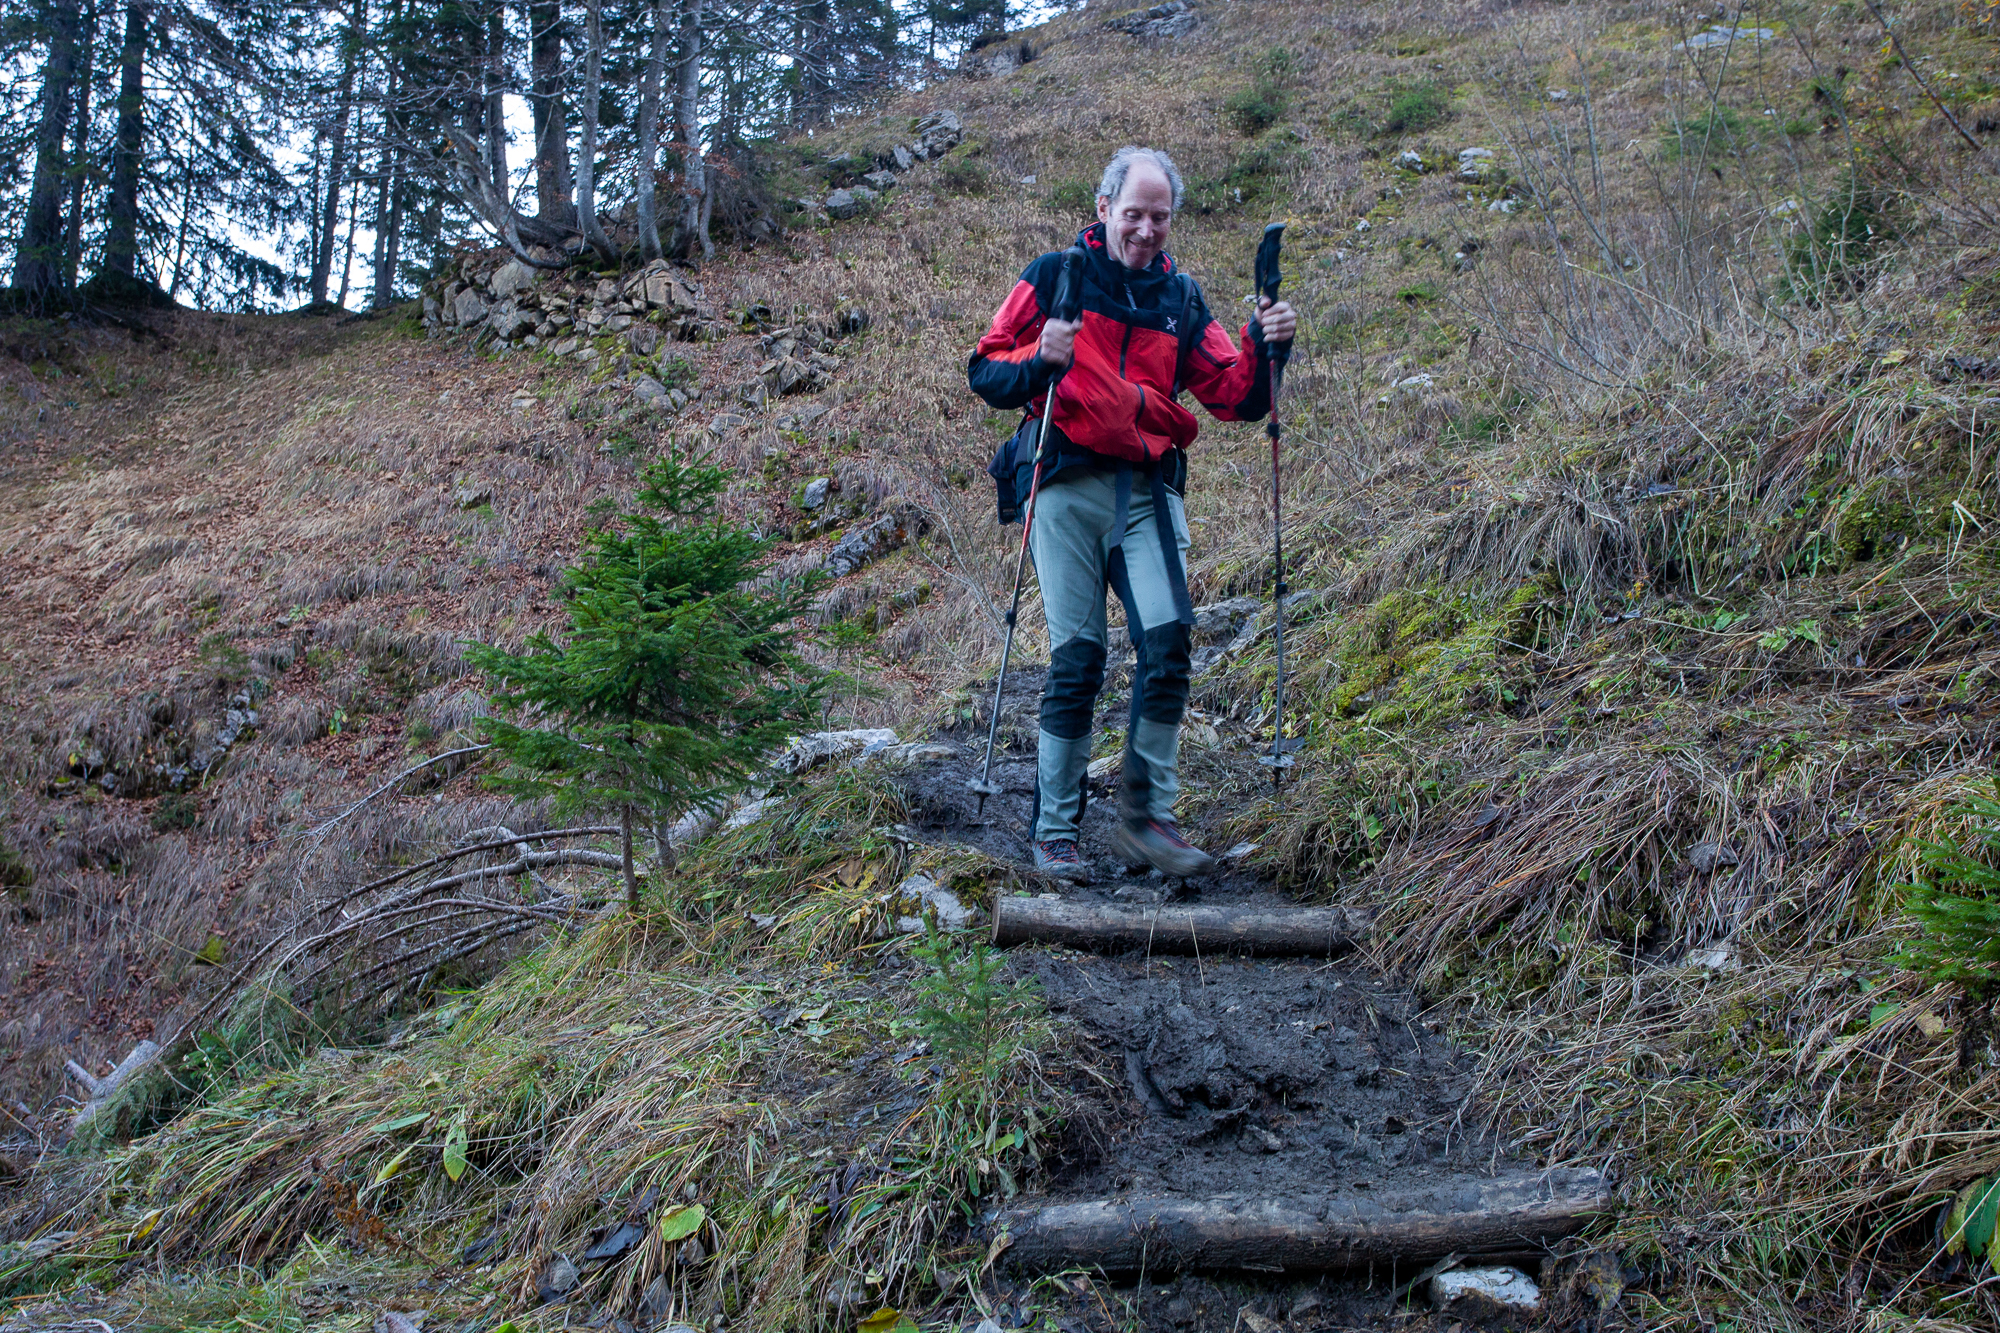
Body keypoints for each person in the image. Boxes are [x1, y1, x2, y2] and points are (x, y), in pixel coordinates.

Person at [967, 145, 1297, 883]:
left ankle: (1147, 820)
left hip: (1147, 488)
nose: (1147, 230)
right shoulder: (1056, 276)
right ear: (1105, 209)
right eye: (1135, 214)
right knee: (1079, 657)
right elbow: (985, 368)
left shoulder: (1181, 299)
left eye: (1160, 216)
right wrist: (1040, 361)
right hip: (1062, 479)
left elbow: (1235, 397)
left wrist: (1269, 344)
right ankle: (1055, 831)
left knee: (1169, 637)